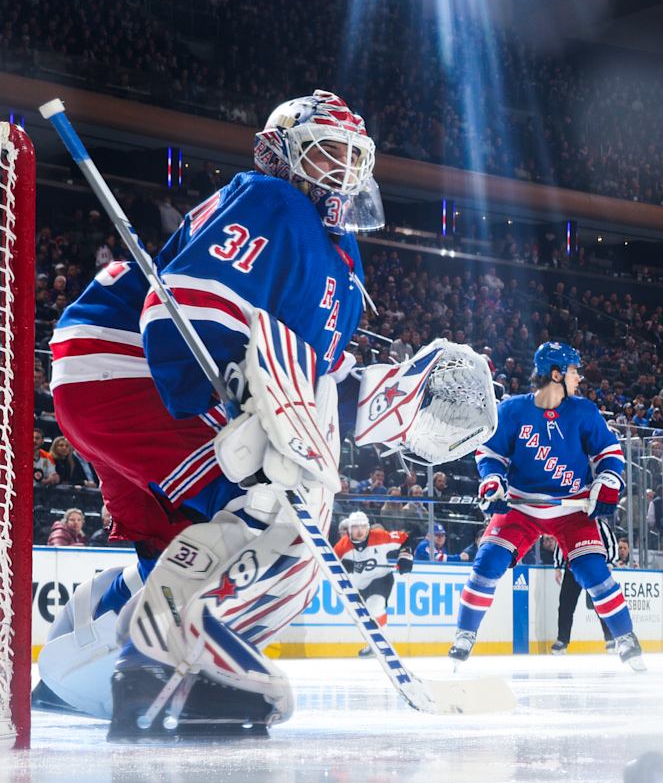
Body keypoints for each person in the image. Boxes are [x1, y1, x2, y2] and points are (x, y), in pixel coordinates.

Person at [37, 89, 419, 737]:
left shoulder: (340, 263)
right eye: (328, 153)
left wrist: (406, 407)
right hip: (135, 367)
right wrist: (235, 396)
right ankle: (160, 666)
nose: (346, 172)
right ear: (282, 152)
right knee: (285, 510)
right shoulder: (277, 201)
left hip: (114, 379)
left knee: (182, 542)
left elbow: (309, 382)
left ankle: (72, 665)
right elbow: (188, 305)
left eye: (355, 158)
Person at [449, 342, 645, 671]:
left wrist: (608, 481)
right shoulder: (511, 410)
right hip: (520, 507)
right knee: (487, 563)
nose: (579, 377)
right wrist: (493, 480)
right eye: (573, 371)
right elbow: (490, 454)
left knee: (594, 572)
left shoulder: (583, 412)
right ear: (556, 374)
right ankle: (464, 634)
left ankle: (626, 638)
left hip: (571, 510)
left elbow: (609, 453)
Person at [333, 510, 412, 658]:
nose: (360, 531)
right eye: (356, 527)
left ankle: (382, 641)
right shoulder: (342, 546)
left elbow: (405, 538)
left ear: (368, 527)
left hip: (382, 579)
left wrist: (405, 557)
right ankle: (374, 643)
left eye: (363, 526)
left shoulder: (379, 536)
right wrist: (344, 566)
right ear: (349, 529)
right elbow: (329, 566)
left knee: (375, 606)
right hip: (359, 586)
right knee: (364, 616)